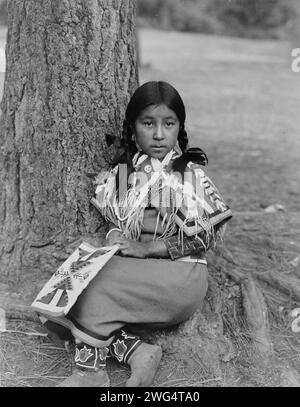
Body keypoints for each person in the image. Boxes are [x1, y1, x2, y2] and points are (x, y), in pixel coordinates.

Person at [40, 81, 232, 387]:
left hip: (179, 276)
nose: (158, 134)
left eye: (168, 124)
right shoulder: (125, 173)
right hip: (138, 270)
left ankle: (90, 374)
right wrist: (117, 234)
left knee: (92, 288)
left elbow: (204, 238)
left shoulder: (184, 175)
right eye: (148, 123)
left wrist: (146, 248)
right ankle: (138, 352)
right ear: (133, 129)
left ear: (179, 127)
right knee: (62, 285)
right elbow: (120, 218)